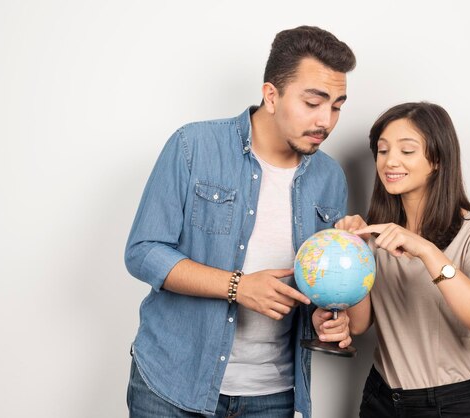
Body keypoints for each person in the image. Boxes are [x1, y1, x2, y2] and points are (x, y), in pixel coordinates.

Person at [124, 26, 356, 418]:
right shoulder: (192, 145)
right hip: (173, 382)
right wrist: (238, 287)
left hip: (273, 396)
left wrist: (328, 316)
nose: (326, 121)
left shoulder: (329, 177)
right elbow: (143, 252)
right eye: (313, 102)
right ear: (271, 95)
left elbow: (317, 279)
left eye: (336, 106)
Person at [317, 102, 470, 417]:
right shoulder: (378, 236)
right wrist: (353, 252)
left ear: (437, 159)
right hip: (380, 399)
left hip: (451, 405)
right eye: (382, 151)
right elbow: (359, 323)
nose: (390, 161)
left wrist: (426, 250)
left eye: (407, 151)